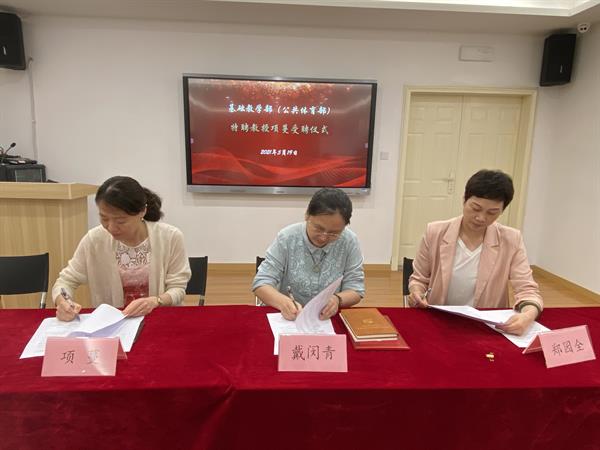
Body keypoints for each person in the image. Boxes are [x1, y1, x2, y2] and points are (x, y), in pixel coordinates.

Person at [408, 169, 543, 336]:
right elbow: (419, 279)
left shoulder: (511, 239)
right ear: (464, 200)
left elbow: (527, 289)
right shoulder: (435, 232)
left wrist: (528, 315)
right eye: (475, 208)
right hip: (440, 320)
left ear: (502, 210)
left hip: (485, 326)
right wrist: (416, 292)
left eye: (492, 213)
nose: (481, 218)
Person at [52, 176, 191, 321]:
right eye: (104, 218)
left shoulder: (170, 237)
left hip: (159, 320)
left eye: (120, 221)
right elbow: (65, 281)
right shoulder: (94, 240)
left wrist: (156, 301)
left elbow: (178, 288)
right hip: (111, 324)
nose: (111, 227)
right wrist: (63, 302)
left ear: (142, 211)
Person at [252, 188, 365, 321]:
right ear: (307, 215)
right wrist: (283, 302)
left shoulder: (349, 241)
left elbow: (356, 289)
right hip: (289, 319)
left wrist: (337, 299)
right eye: (318, 228)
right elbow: (261, 283)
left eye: (333, 233)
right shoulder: (287, 238)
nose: (323, 237)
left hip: (325, 320)